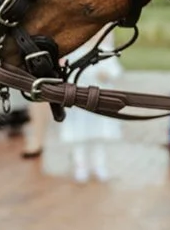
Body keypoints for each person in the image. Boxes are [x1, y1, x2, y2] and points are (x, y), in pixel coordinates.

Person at [41, 29, 122, 182]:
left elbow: (115, 71)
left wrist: (107, 75)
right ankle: (81, 165)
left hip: (99, 100)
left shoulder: (105, 52)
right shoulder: (75, 52)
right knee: (79, 135)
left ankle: (99, 165)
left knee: (99, 136)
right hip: (78, 100)